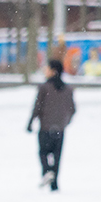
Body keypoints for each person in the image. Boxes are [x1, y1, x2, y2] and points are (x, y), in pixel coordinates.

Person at [28, 60, 77, 191]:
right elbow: (72, 109)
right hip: (60, 129)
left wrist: (30, 122)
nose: (45, 70)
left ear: (53, 71)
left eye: (47, 68)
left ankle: (47, 171)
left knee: (43, 152)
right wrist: (64, 122)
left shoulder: (44, 88)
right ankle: (54, 184)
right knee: (57, 155)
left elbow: (37, 107)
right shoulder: (68, 89)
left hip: (45, 127)